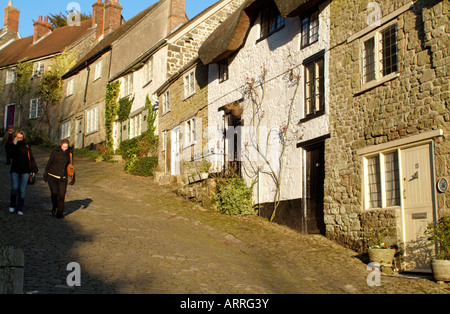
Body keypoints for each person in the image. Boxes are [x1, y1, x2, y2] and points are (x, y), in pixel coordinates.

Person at [9, 129, 38, 216]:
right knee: (15, 187)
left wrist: (34, 169)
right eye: (18, 137)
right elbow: (10, 155)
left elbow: (31, 157)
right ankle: (12, 204)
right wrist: (14, 144)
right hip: (15, 169)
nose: (20, 139)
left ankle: (20, 207)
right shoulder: (13, 145)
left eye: (21, 137)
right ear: (15, 137)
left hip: (25, 170)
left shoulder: (27, 145)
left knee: (22, 190)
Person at [44, 139, 74, 219]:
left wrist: (73, 177)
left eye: (66, 147)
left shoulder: (70, 153)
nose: (64, 149)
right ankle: (55, 206)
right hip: (52, 176)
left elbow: (71, 166)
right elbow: (49, 163)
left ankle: (59, 213)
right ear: (61, 146)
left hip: (63, 177)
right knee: (54, 194)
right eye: (63, 147)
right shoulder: (55, 152)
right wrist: (45, 173)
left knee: (62, 195)